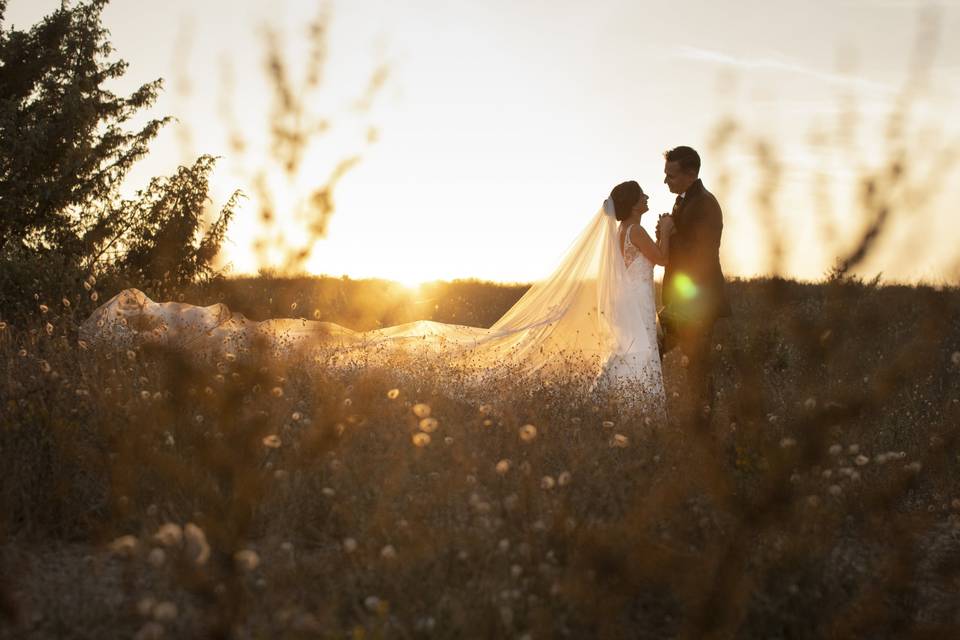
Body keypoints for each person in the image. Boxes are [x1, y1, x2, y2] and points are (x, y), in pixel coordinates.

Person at [81, 182, 673, 414]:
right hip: (634, 317)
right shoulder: (639, 233)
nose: (649, 201)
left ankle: (630, 413)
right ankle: (636, 417)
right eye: (644, 199)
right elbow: (663, 260)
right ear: (632, 208)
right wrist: (669, 234)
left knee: (621, 360)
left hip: (630, 315)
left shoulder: (621, 233)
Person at [657, 146, 731, 425]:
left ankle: (703, 425)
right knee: (654, 348)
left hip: (698, 303)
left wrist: (669, 235)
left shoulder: (706, 204)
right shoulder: (684, 200)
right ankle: (691, 419)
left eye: (672, 176)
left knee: (696, 365)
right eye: (666, 175)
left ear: (691, 173)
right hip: (683, 302)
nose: (666, 181)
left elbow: (701, 254)